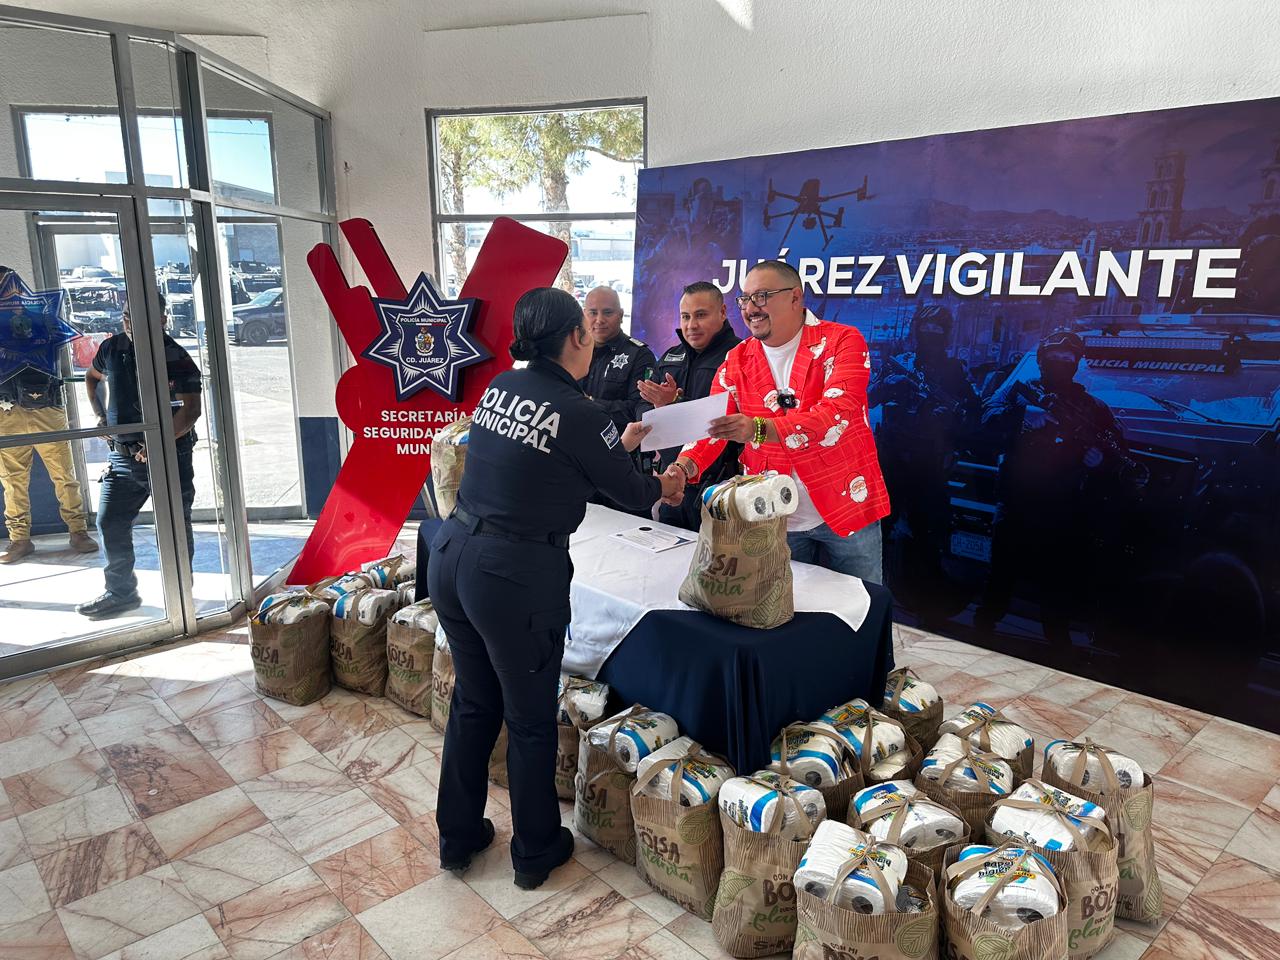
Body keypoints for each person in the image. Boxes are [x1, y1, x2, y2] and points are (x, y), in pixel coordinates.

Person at [427, 287, 683, 890]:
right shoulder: (582, 410)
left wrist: (612, 452)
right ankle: (536, 850)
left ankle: (457, 837)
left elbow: (549, 460)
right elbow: (637, 494)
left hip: (453, 555)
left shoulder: (501, 387)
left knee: (473, 701)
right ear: (577, 337)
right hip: (512, 576)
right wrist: (668, 483)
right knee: (530, 718)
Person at [671, 260, 890, 582]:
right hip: (772, 514)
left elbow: (837, 414)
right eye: (745, 299)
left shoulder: (842, 341)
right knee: (785, 617)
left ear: (795, 297)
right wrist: (684, 467)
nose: (751, 308)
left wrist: (759, 428)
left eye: (762, 296)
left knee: (862, 610)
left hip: (846, 506)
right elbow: (712, 427)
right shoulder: (737, 359)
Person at [974, 329, 1134, 645]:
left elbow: (1118, 449)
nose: (1061, 363)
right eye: (1055, 358)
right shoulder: (1018, 394)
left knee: (1058, 581)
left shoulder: (1091, 407)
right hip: (1017, 499)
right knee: (1001, 574)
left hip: (1064, 506)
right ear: (1042, 360)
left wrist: (1099, 459)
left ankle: (1058, 644)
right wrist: (1024, 414)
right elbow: (985, 417)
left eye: (1068, 359)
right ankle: (981, 633)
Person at [77, 302, 202, 619]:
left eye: (140, 314)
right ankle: (121, 594)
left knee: (173, 526)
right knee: (110, 521)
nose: (130, 321)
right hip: (122, 458)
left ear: (161, 319)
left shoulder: (175, 355)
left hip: (169, 456)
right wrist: (100, 416)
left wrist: (158, 443)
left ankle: (181, 596)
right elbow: (92, 378)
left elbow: (191, 411)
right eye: (127, 314)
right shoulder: (112, 347)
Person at [868, 304, 978, 619]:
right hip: (891, 458)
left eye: (938, 330)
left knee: (928, 530)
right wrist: (888, 386)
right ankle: (874, 588)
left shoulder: (956, 369)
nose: (931, 335)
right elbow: (869, 397)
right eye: (926, 328)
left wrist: (950, 423)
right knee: (879, 528)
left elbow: (972, 412)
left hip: (929, 462)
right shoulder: (898, 364)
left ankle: (922, 598)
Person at [0, 266, 98, 563]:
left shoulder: (37, 314)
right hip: (6, 411)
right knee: (12, 480)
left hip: (46, 406)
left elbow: (53, 346)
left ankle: (78, 531)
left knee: (63, 476)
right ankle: (20, 539)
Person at [637, 280, 742, 530]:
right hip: (672, 481)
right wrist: (658, 407)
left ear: (723, 313)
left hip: (720, 489)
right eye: (685, 316)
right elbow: (641, 408)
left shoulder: (741, 355)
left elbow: (729, 420)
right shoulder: (671, 356)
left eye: (701, 315)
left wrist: (674, 404)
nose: (691, 325)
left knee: (717, 565)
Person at [579, 285, 656, 432]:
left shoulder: (639, 355)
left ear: (620, 315)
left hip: (619, 446)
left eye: (607, 312)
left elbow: (639, 410)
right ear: (584, 315)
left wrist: (589, 404)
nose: (599, 320)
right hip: (575, 442)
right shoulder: (575, 350)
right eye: (593, 313)